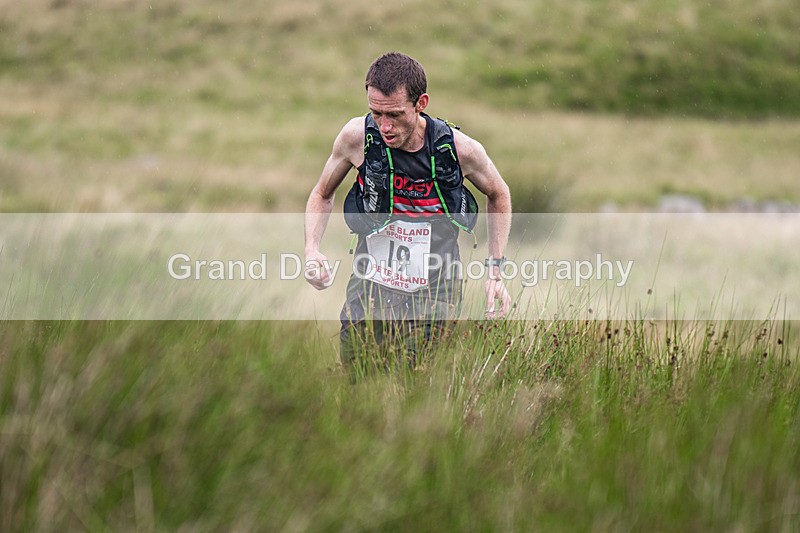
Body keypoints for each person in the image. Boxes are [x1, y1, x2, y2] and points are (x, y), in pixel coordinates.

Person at [304, 52, 511, 375]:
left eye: (395, 115)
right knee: (360, 381)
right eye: (376, 113)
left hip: (436, 287)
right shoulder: (357, 137)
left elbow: (499, 194)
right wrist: (311, 249)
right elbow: (321, 193)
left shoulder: (458, 150)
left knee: (417, 383)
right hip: (370, 284)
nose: (384, 126)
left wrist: (495, 272)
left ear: (421, 103)